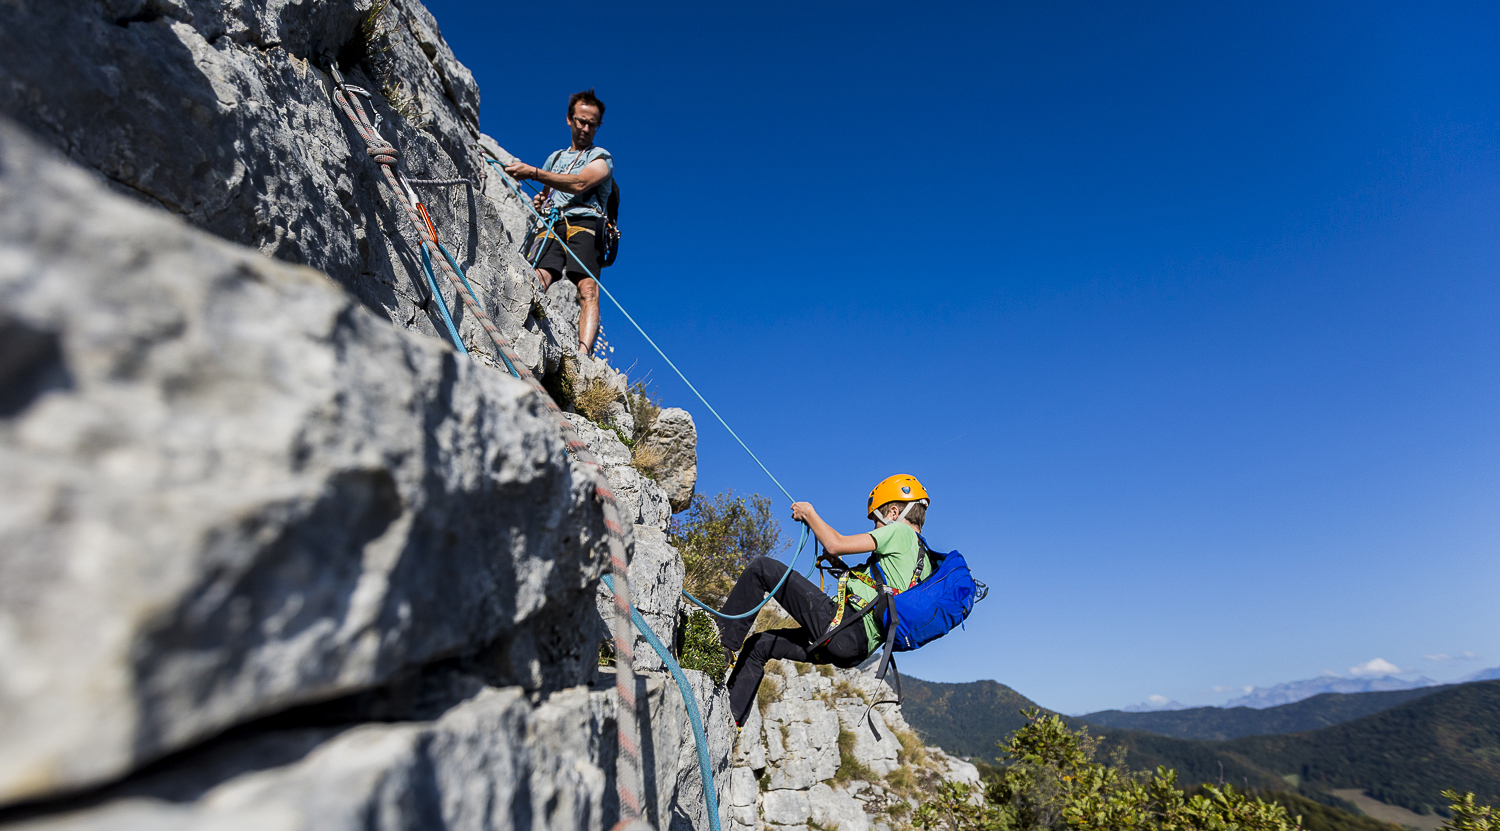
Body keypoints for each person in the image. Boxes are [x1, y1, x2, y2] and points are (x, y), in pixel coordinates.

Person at [717, 475, 934, 727]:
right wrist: (842, 568)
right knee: (759, 646)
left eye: (876, 519)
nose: (876, 526)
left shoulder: (898, 532)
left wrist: (808, 513)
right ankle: (731, 723)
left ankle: (717, 649)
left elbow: (834, 544)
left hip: (842, 627)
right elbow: (885, 593)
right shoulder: (924, 560)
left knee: (762, 569)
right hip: (855, 650)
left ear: (894, 512)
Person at [504, 88, 614, 357]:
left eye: (592, 123)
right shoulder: (555, 158)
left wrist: (533, 172)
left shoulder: (602, 158)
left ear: (598, 125)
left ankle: (583, 355)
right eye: (581, 121)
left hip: (586, 224)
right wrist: (540, 202)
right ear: (569, 119)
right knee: (540, 275)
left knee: (587, 288)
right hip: (553, 224)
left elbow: (580, 183)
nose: (586, 128)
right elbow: (544, 196)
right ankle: (516, 322)